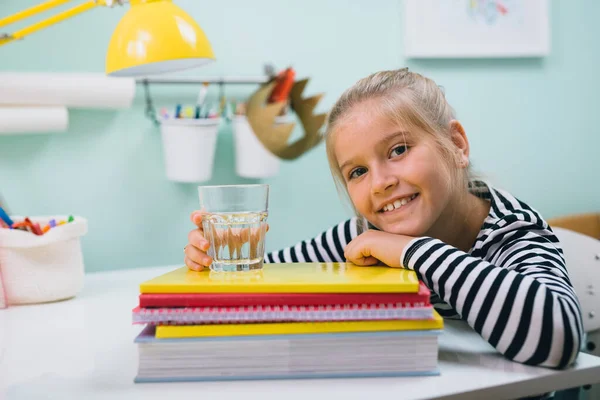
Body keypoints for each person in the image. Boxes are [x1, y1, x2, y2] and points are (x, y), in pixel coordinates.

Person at [184, 68, 584, 369]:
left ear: (456, 144)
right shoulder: (365, 233)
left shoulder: (514, 231)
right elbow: (263, 278)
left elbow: (558, 339)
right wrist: (211, 262)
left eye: (398, 150)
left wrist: (413, 251)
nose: (379, 183)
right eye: (357, 172)